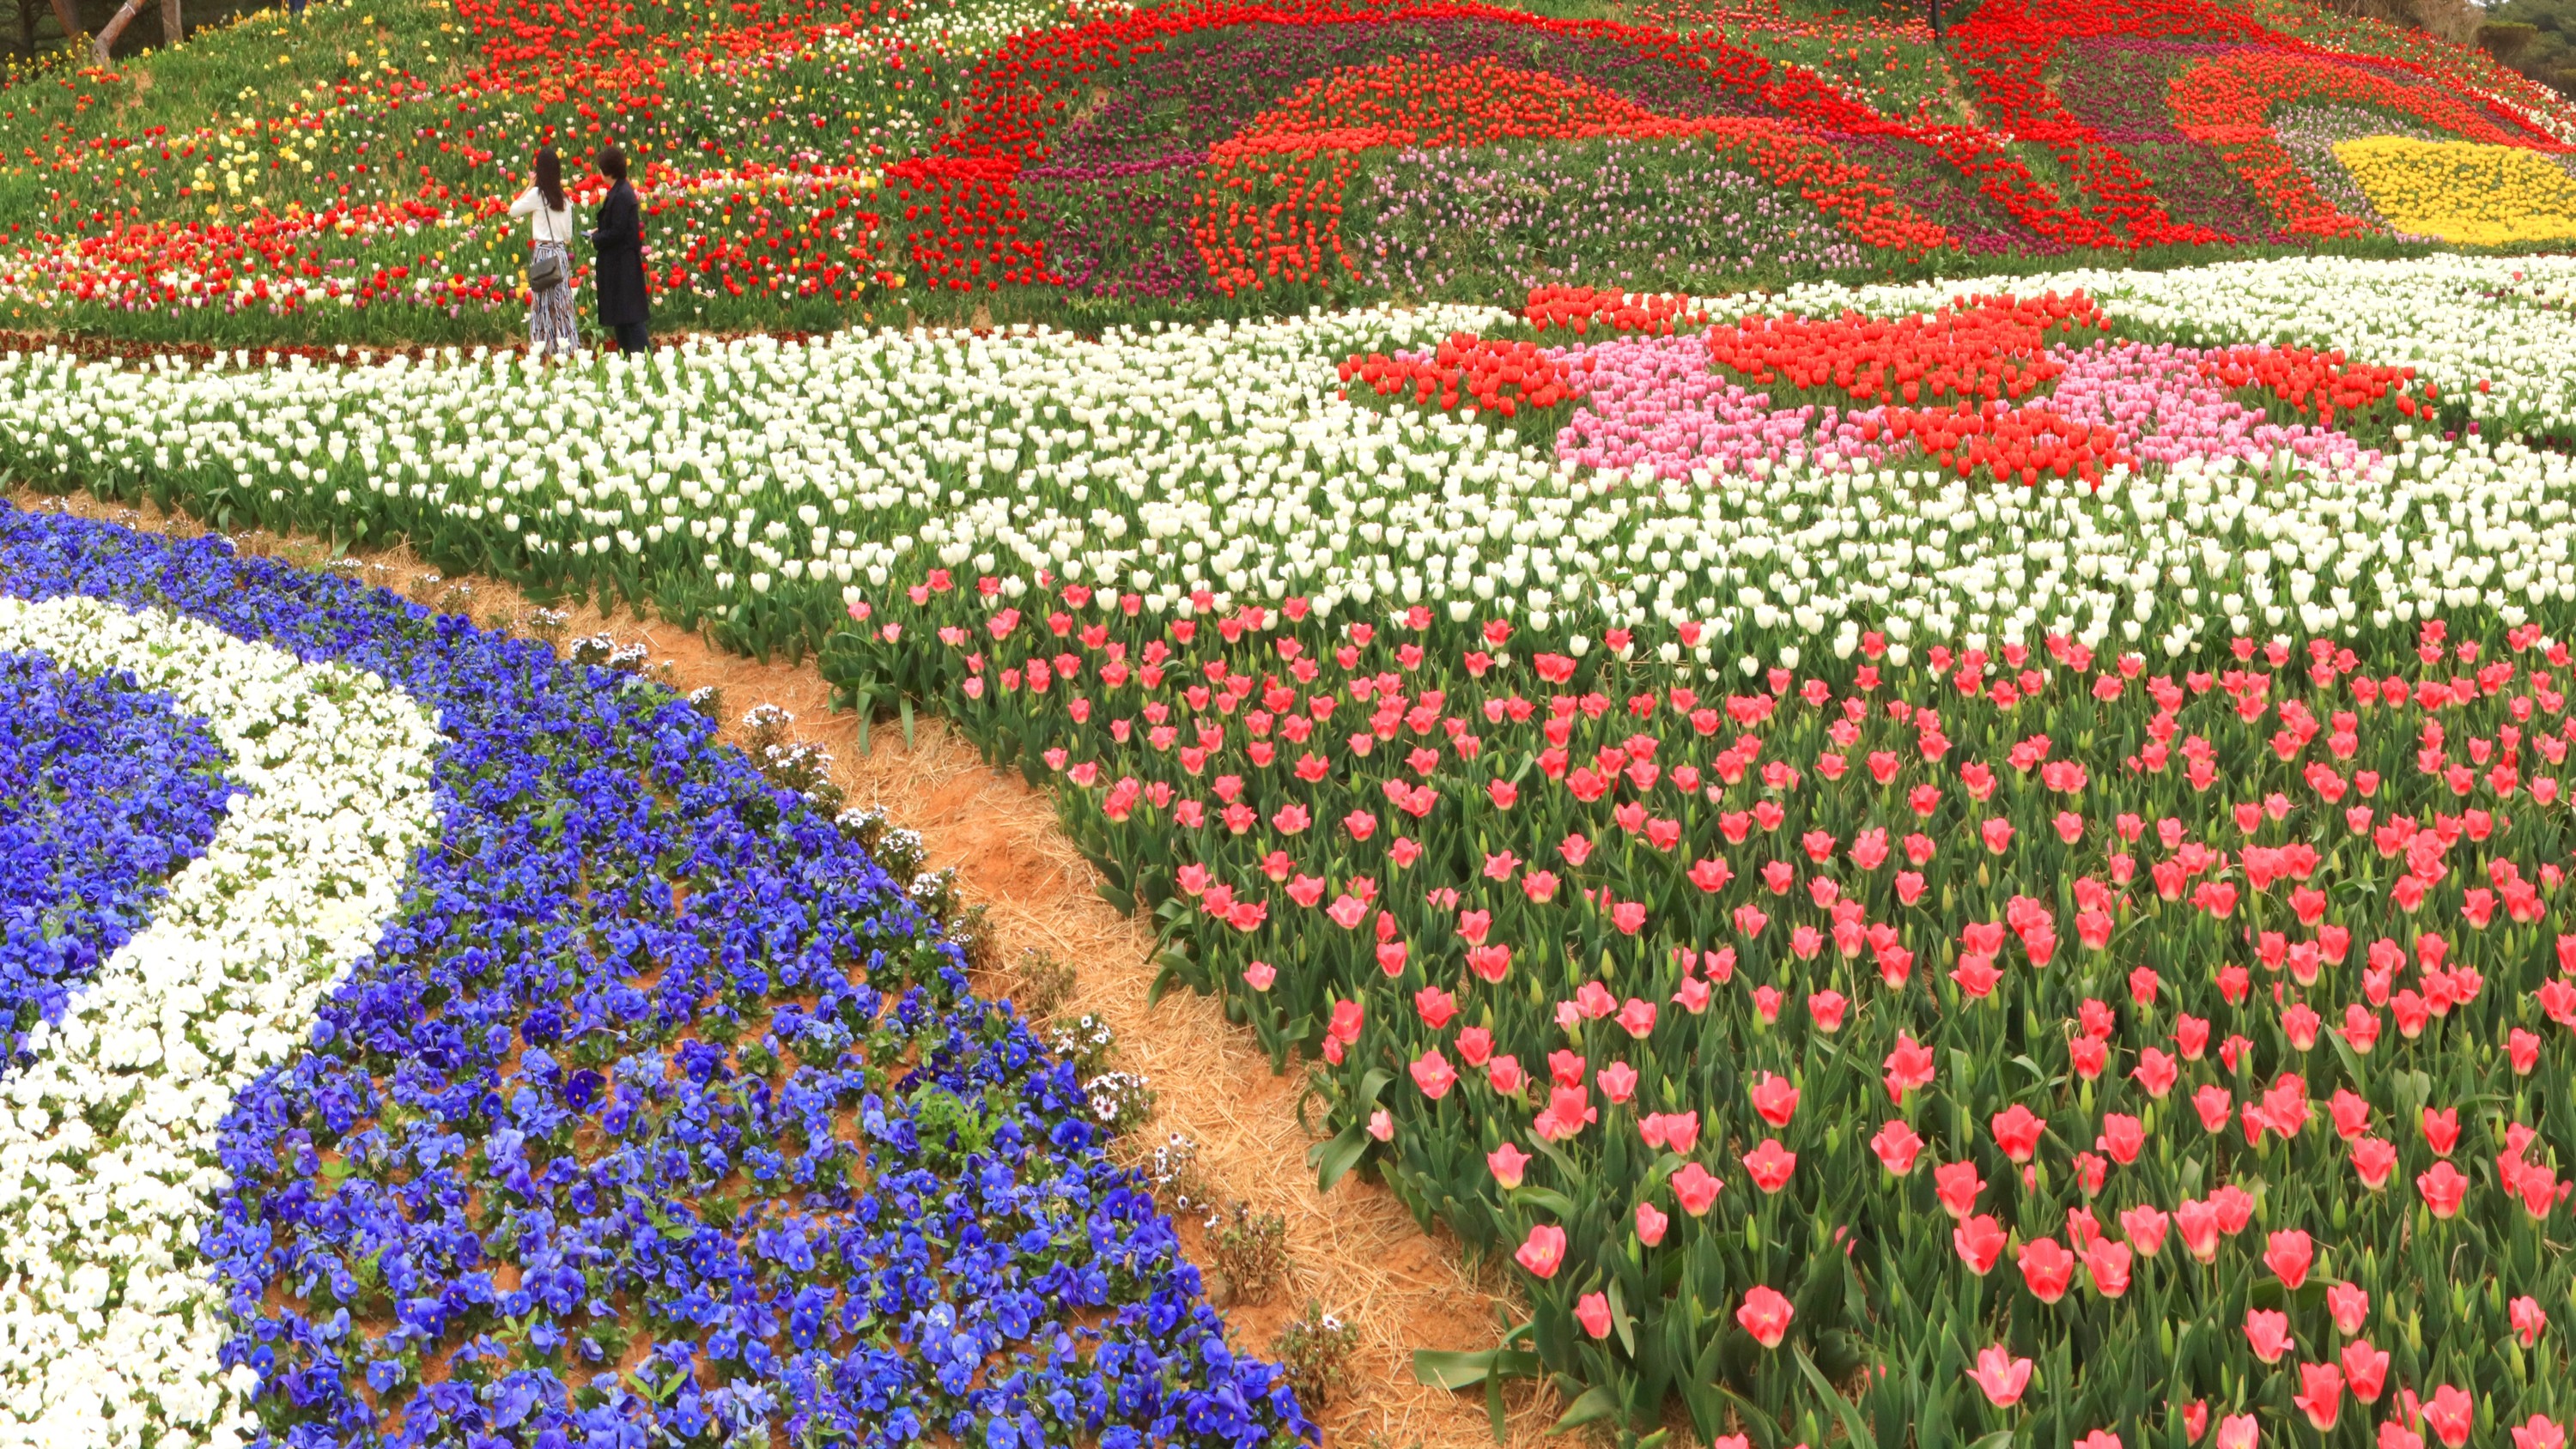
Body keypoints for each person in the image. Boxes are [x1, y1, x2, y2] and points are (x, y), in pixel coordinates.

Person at [508, 146, 576, 358]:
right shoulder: (565, 199)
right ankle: (566, 348)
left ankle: (544, 348)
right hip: (560, 256)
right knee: (562, 303)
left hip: (543, 255)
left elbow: (513, 210)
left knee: (543, 304)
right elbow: (568, 236)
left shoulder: (537, 195)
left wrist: (529, 185)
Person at [590, 144, 650, 355]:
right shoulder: (620, 190)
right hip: (619, 263)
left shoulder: (622, 194)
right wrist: (601, 230)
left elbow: (618, 231)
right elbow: (619, 226)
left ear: (608, 170)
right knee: (622, 318)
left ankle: (645, 359)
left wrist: (597, 237)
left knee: (630, 317)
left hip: (622, 264)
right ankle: (628, 358)